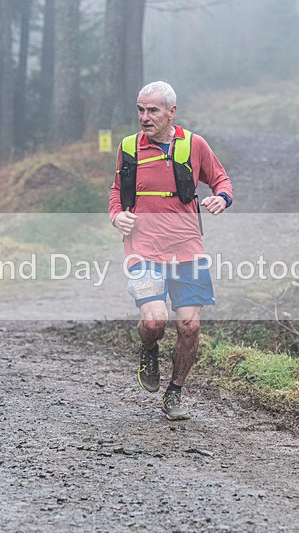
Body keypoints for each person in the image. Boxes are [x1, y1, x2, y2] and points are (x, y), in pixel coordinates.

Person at [108, 81, 233, 420]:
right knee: (155, 321)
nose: (144, 117)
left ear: (171, 112)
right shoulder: (129, 147)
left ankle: (175, 391)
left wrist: (221, 199)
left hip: (187, 249)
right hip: (143, 249)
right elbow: (117, 191)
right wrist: (117, 216)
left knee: (190, 326)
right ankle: (149, 349)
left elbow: (221, 180)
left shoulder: (194, 145)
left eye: (152, 111)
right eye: (140, 110)